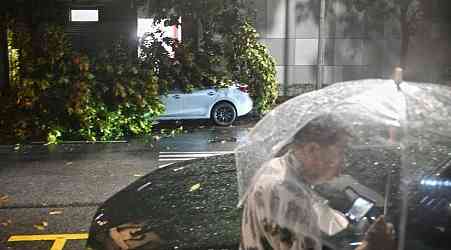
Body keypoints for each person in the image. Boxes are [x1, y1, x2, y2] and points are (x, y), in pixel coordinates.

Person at [239, 115, 396, 250]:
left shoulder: (276, 166)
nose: (343, 163)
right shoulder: (288, 194)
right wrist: (371, 246)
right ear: (312, 149)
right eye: (341, 151)